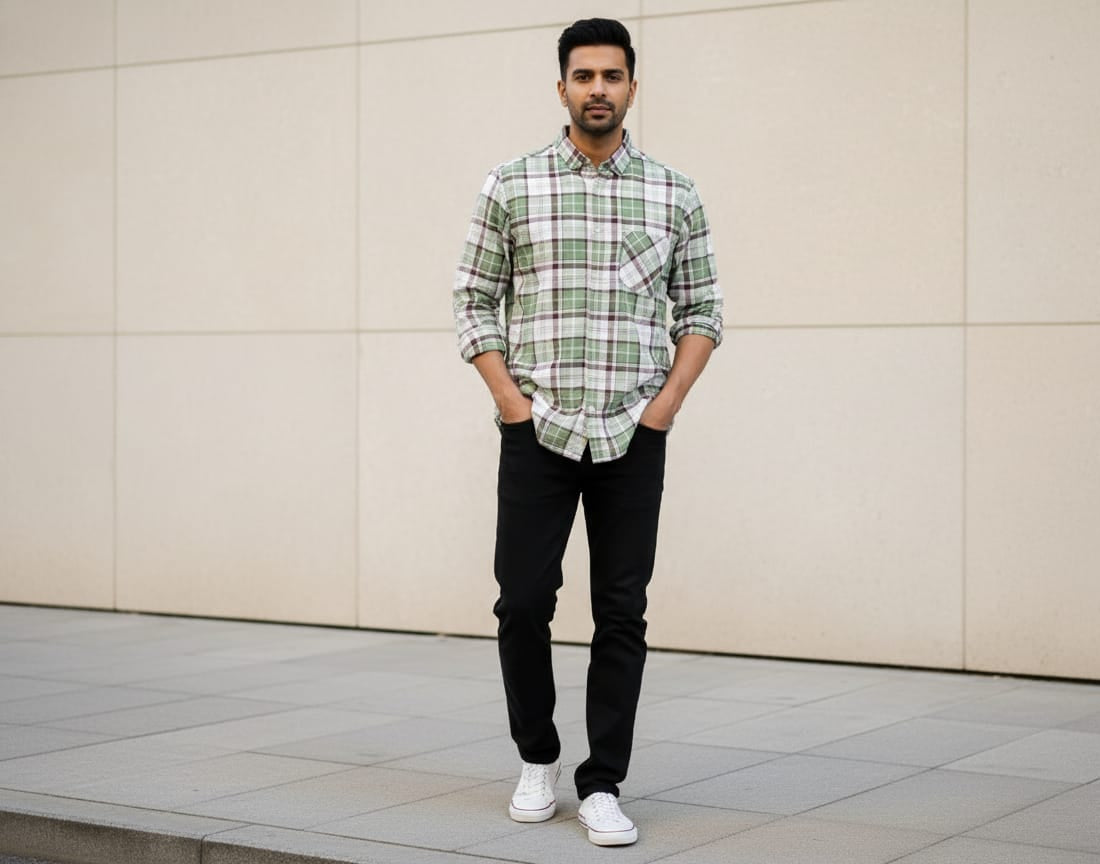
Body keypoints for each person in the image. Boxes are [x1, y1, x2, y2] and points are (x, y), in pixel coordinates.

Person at [452, 17, 722, 848]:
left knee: (621, 613)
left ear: (632, 86)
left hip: (631, 436)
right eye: (583, 75)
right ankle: (538, 758)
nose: (597, 88)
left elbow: (703, 310)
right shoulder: (512, 185)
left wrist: (664, 409)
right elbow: (472, 302)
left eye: (612, 75)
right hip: (537, 431)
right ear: (562, 87)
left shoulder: (674, 192)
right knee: (522, 602)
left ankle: (602, 783)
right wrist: (510, 403)